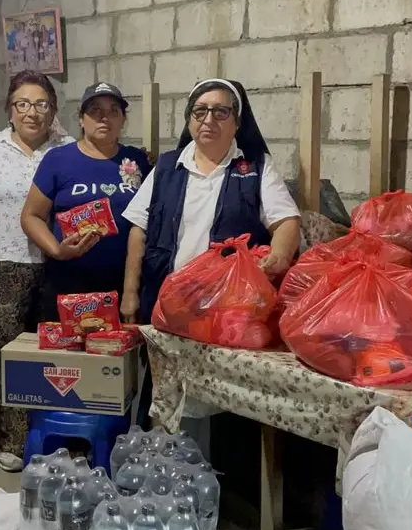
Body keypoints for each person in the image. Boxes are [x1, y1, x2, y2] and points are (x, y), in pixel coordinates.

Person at [121, 78, 302, 431]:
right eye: (200, 111)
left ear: (237, 122)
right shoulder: (168, 167)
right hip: (167, 307)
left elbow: (287, 222)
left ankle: (219, 475)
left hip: (228, 314)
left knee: (223, 405)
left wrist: (279, 256)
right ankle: (163, 466)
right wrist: (129, 293)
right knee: (165, 396)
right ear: (189, 120)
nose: (209, 120)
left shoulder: (255, 168)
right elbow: (138, 229)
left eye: (221, 112)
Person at [0, 71, 73, 472]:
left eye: (41, 104)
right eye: (23, 104)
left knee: (54, 356)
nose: (32, 112)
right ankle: (13, 440)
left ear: (54, 110)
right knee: (9, 357)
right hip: (3, 265)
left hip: (57, 264)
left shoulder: (67, 148)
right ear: (9, 110)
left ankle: (53, 436)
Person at [21, 82, 152, 319]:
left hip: (122, 285)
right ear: (81, 119)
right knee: (68, 355)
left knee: (115, 354)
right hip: (67, 282)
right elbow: (31, 216)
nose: (105, 118)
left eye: (114, 111)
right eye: (95, 110)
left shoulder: (138, 161)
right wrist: (57, 251)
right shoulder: (58, 159)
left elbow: (144, 222)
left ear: (123, 119)